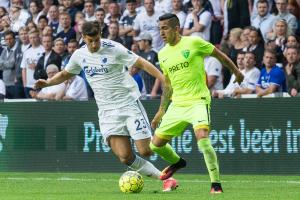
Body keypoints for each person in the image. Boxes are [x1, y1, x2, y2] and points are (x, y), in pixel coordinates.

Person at [34, 21, 178, 192]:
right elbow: (66, 73)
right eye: (90, 41)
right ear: (83, 38)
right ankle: (165, 179)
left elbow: (142, 63)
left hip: (128, 104)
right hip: (107, 112)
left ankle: (175, 159)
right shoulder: (79, 55)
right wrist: (48, 82)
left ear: (101, 35)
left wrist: (164, 80)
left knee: (145, 151)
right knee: (125, 157)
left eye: (97, 40)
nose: (94, 44)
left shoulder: (114, 48)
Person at [149, 13, 244, 194]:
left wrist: (236, 72)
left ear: (176, 29)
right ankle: (178, 162)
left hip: (198, 101)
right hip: (177, 104)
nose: (161, 32)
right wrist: (161, 111)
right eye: (159, 29)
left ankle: (216, 185)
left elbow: (220, 55)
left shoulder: (193, 42)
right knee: (155, 145)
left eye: (165, 28)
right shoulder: (162, 54)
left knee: (203, 140)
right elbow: (167, 85)